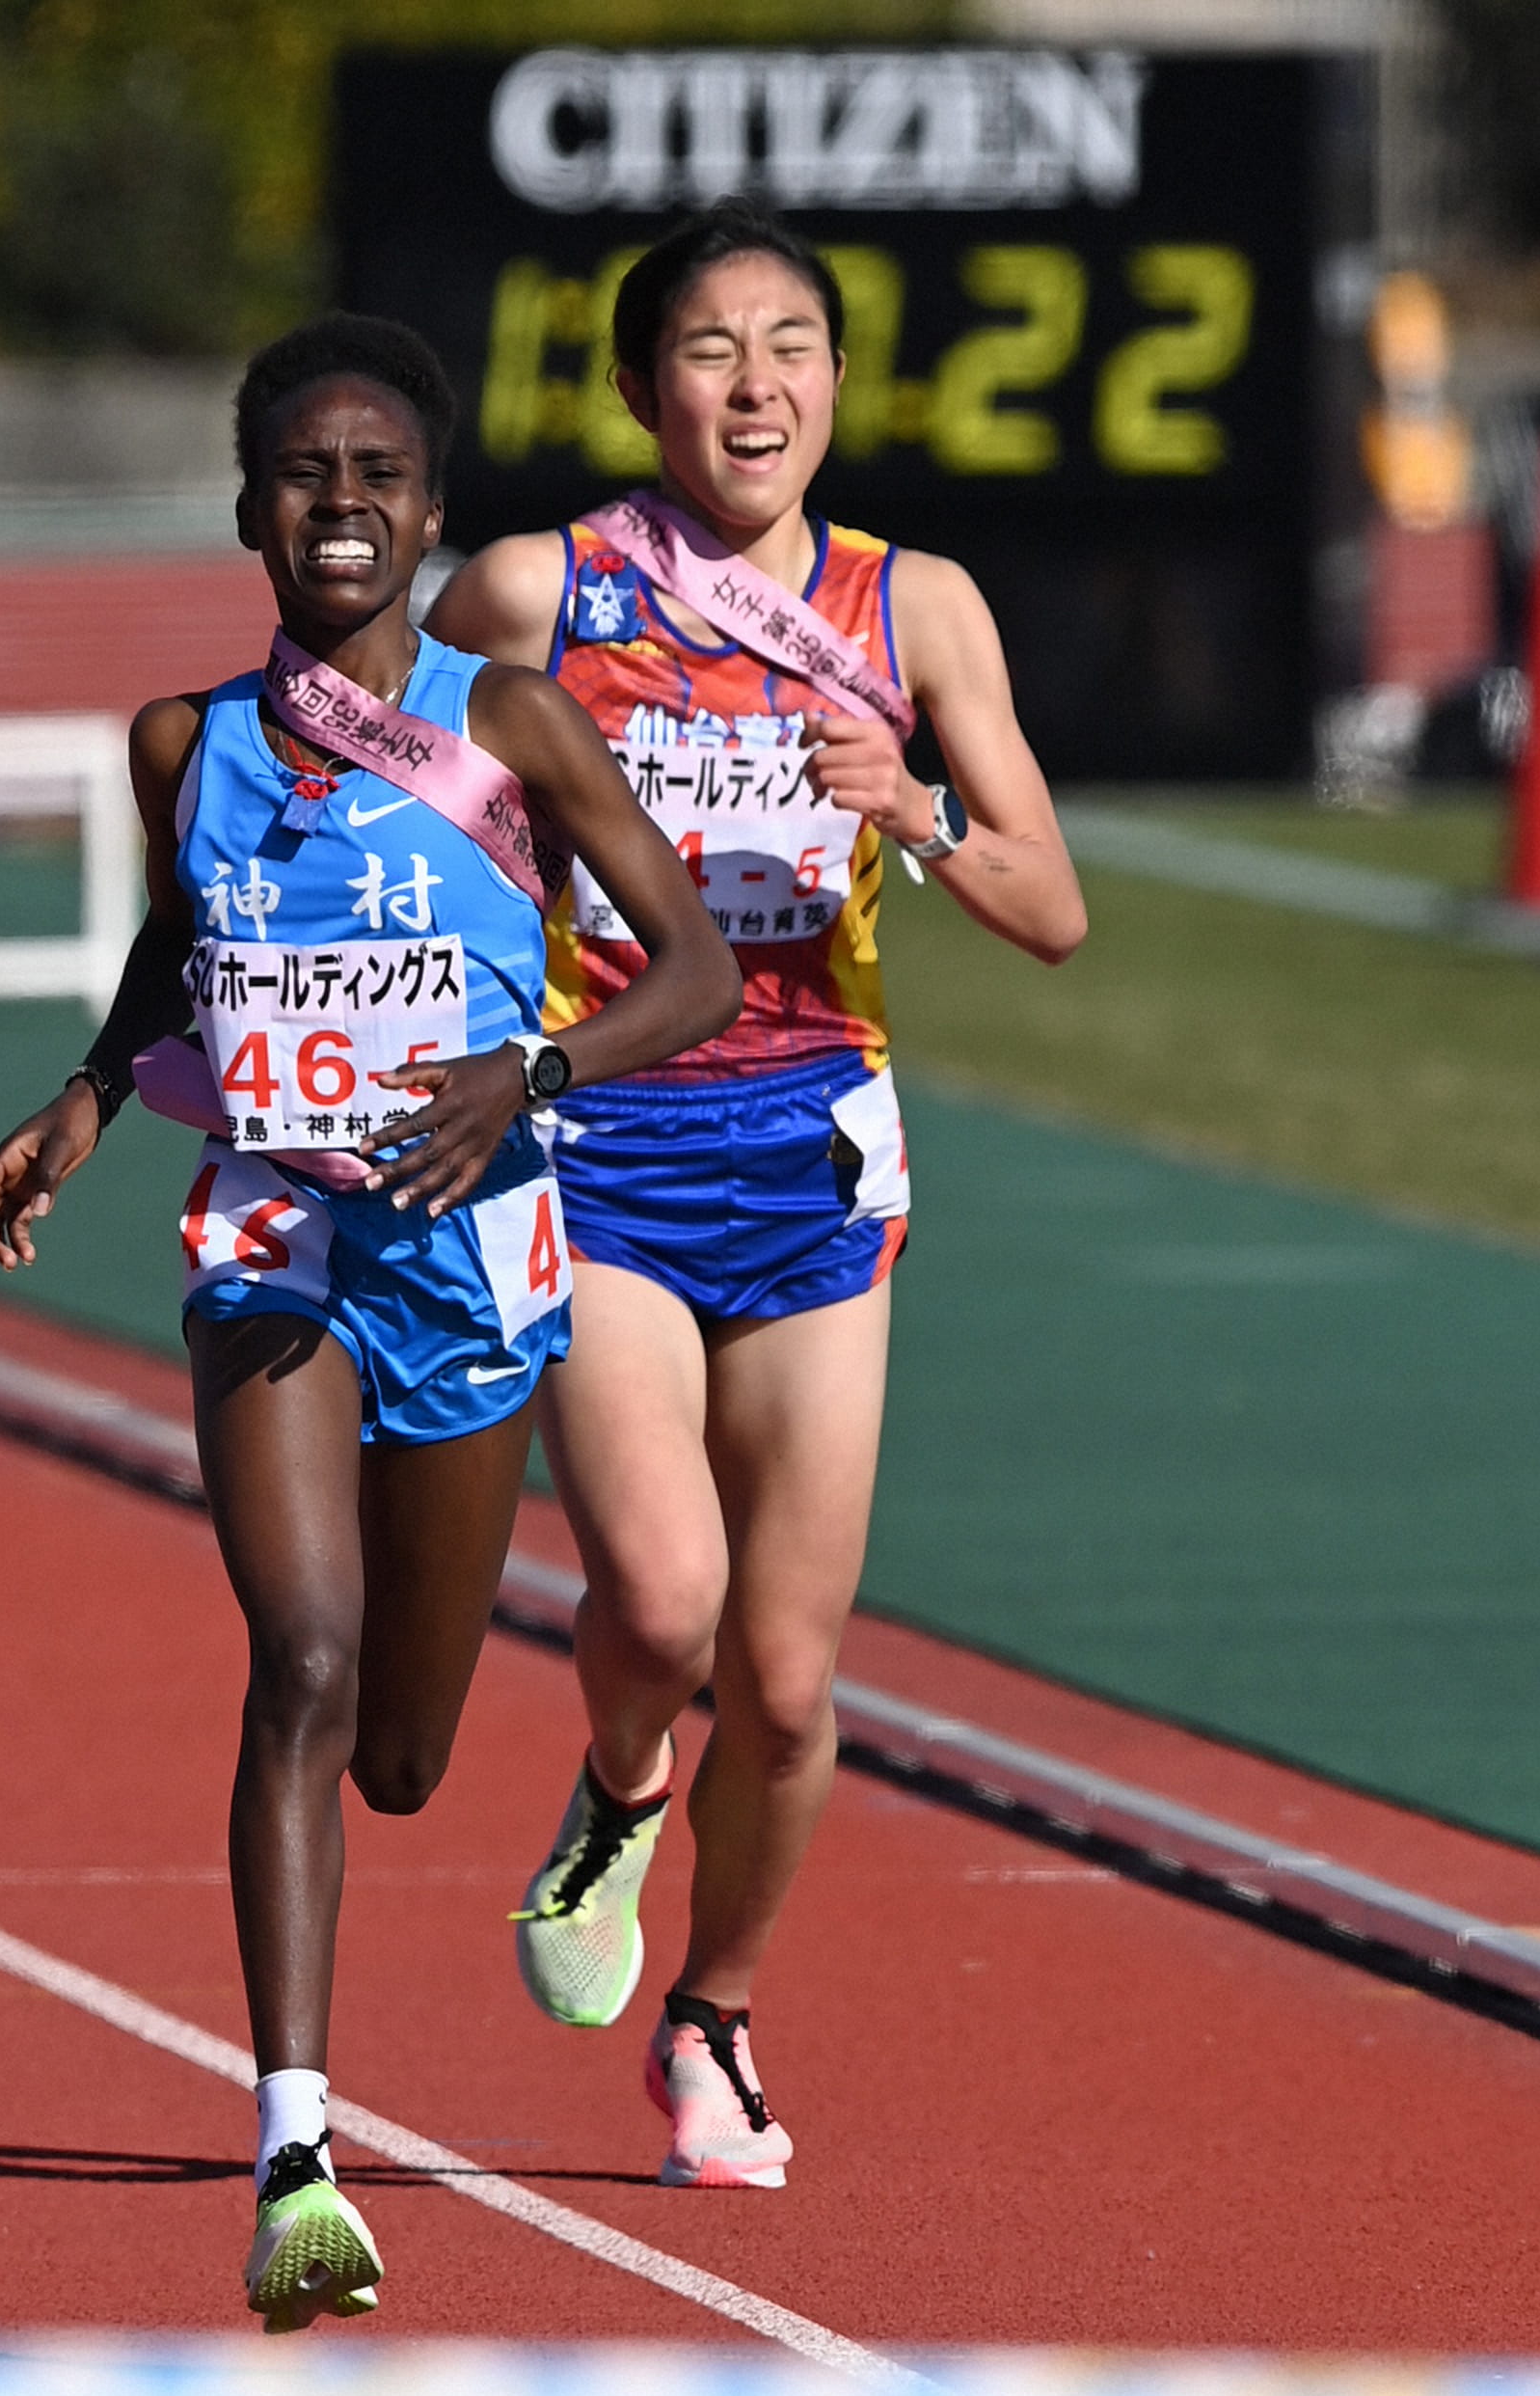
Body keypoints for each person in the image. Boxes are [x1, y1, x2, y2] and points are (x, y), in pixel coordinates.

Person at [0, 313, 739, 2328]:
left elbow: (694, 976)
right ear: (250, 511)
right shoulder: (183, 743)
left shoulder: (518, 730)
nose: (340, 502)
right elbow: (184, 945)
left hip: (469, 1260)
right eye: (306, 472)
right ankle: (293, 2152)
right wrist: (88, 1092)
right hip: (274, 1249)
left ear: (425, 515)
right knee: (297, 1661)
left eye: (376, 473)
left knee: (399, 1753)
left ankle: (616, 1791)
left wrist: (529, 1079)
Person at [429, 201, 1086, 2191]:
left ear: (830, 383)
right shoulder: (539, 591)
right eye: (711, 348)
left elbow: (1051, 908)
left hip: (810, 1149)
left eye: (790, 343)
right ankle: (621, 1782)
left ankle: (713, 2018)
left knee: (792, 1686)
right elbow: (372, 792)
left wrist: (914, 808)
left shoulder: (921, 609)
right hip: (598, 1140)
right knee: (662, 1597)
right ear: (640, 390)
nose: (755, 383)